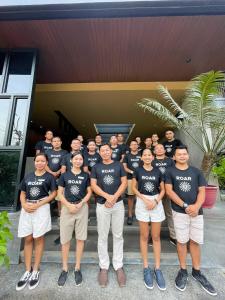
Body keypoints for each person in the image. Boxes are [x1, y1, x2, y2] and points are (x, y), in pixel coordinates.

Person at [165, 146, 217, 296]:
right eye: (179, 154)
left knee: (195, 242)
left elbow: (202, 191)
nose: (182, 156)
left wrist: (196, 206)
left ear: (188, 155)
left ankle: (197, 271)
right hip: (180, 212)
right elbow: (169, 191)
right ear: (174, 157)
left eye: (184, 153)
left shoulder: (196, 172)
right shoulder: (170, 171)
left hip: (197, 213)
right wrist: (185, 206)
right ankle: (183, 271)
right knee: (181, 242)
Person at [16, 153, 57, 291]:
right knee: (27, 238)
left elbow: (53, 194)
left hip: (41, 208)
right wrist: (24, 204)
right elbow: (22, 192)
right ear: (34, 162)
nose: (40, 163)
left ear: (46, 162)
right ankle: (27, 270)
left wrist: (38, 204)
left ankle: (35, 271)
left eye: (42, 161)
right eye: (37, 161)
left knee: (38, 238)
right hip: (27, 208)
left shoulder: (49, 177)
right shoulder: (28, 176)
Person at [91, 144, 127, 287]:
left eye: (107, 150)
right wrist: (107, 197)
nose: (105, 152)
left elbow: (124, 183)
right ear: (99, 153)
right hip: (102, 205)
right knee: (103, 235)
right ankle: (104, 267)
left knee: (118, 235)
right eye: (102, 151)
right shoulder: (96, 167)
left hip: (117, 204)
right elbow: (94, 185)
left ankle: (118, 266)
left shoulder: (118, 165)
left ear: (111, 151)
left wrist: (114, 197)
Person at [132, 148, 166, 290]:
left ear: (153, 157)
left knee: (156, 237)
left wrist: (156, 201)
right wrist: (144, 200)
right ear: (142, 157)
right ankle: (146, 267)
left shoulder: (158, 171)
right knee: (144, 236)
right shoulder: (138, 171)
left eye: (149, 155)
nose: (147, 157)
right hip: (142, 201)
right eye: (144, 155)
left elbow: (163, 189)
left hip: (156, 202)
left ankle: (157, 268)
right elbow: (134, 188)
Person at [57, 152, 92, 287]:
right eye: (76, 159)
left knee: (80, 239)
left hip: (81, 208)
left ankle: (77, 267)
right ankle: (64, 268)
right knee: (65, 240)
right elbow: (60, 193)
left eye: (80, 159)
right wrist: (68, 205)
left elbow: (89, 192)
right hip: (67, 209)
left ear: (83, 161)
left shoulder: (85, 176)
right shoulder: (65, 175)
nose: (78, 161)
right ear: (71, 161)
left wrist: (81, 203)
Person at [151, 144, 176, 246]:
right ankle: (152, 236)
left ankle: (173, 236)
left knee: (169, 213)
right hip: (155, 191)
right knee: (153, 215)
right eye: (157, 148)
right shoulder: (152, 161)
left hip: (168, 190)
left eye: (161, 148)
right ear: (154, 151)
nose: (159, 150)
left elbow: (174, 174)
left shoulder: (170, 161)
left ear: (165, 150)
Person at [45, 136, 68, 245]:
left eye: (58, 141)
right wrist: (51, 173)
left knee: (59, 198)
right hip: (49, 178)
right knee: (47, 198)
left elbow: (65, 166)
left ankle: (60, 215)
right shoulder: (48, 152)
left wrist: (57, 173)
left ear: (61, 142)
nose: (56, 142)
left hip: (60, 178)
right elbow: (44, 164)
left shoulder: (65, 152)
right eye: (54, 141)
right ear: (52, 143)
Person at [123, 140, 142, 225]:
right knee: (131, 197)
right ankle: (130, 215)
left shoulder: (141, 155)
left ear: (137, 146)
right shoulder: (127, 156)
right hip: (130, 178)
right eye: (132, 144)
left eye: (135, 144)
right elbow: (125, 167)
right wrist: (133, 173)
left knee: (141, 197)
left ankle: (141, 215)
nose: (134, 146)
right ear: (130, 146)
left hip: (142, 178)